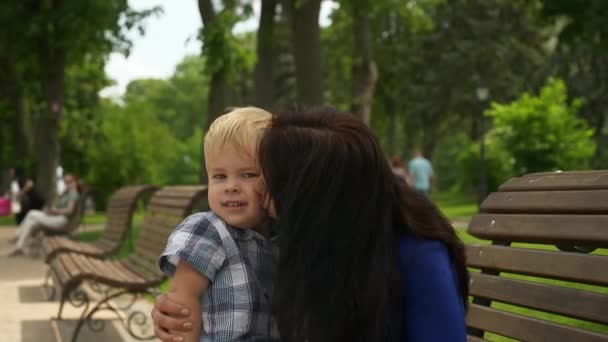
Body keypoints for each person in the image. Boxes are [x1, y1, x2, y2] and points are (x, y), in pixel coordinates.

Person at [152, 108, 468, 341]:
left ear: (313, 194)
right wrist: (179, 317)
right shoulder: (308, 238)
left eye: (266, 179)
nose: (259, 191)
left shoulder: (416, 253)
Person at [158, 107, 279, 342]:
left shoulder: (276, 237)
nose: (230, 186)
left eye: (248, 175)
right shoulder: (209, 230)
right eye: (220, 176)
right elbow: (182, 300)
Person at [8, 173, 81, 256]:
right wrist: (52, 210)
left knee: (32, 214)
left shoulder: (73, 193)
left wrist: (56, 211)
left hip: (63, 221)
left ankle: (18, 237)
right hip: (57, 218)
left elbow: (70, 211)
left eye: (69, 182)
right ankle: (19, 247)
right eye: (65, 182)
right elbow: (56, 206)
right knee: (32, 222)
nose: (67, 184)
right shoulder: (67, 193)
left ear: (75, 182)